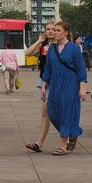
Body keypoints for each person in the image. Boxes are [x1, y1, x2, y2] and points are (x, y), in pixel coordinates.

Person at [42, 21, 87, 156]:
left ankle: (63, 146)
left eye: (57, 30)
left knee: (66, 112)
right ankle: (72, 132)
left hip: (70, 84)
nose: (54, 32)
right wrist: (44, 84)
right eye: (54, 30)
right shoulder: (52, 49)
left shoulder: (73, 48)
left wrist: (82, 88)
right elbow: (48, 68)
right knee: (52, 111)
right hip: (55, 85)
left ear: (65, 33)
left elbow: (81, 69)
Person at [25, 22, 56, 153]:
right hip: (46, 81)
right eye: (48, 29)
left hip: (59, 81)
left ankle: (70, 134)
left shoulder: (61, 45)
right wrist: (39, 40)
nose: (50, 31)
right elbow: (28, 53)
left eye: (53, 29)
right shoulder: (43, 45)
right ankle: (39, 143)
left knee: (57, 111)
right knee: (46, 111)